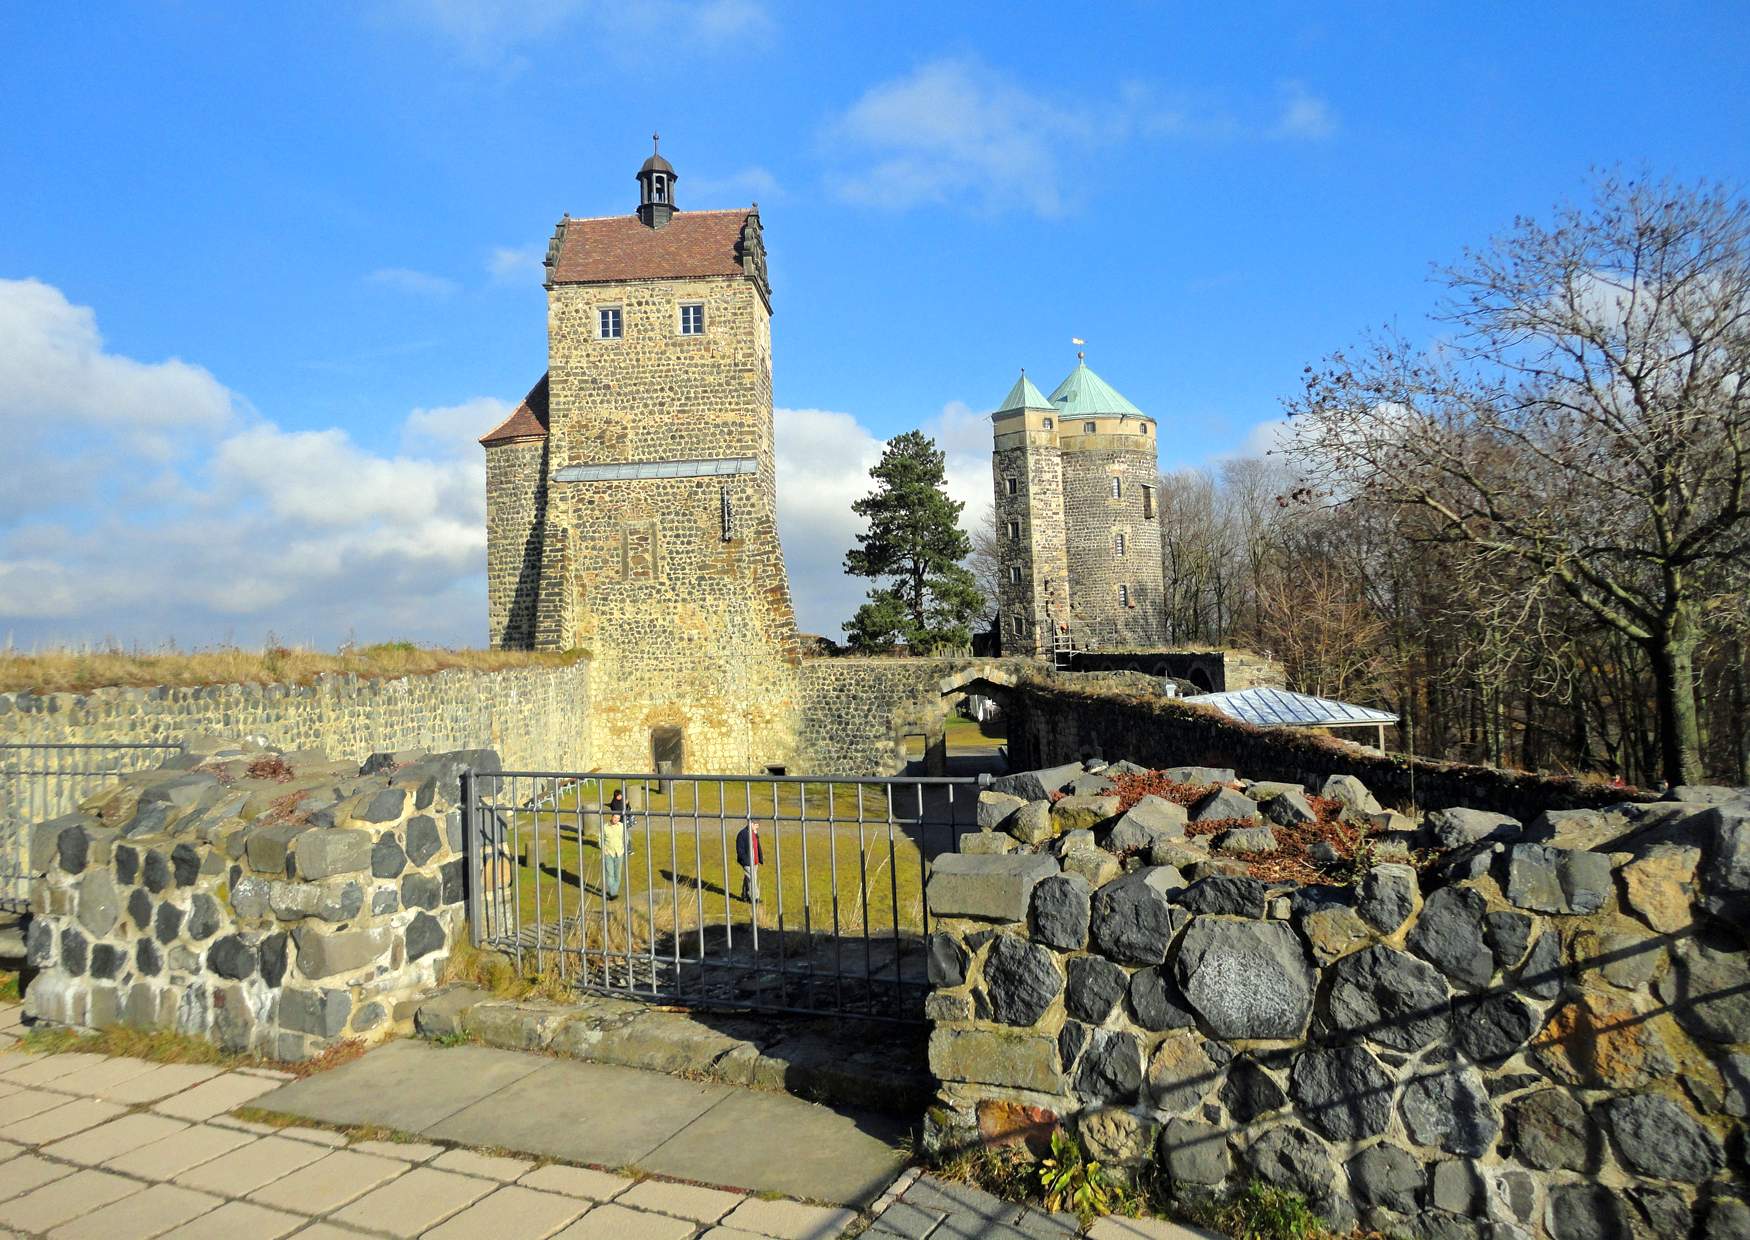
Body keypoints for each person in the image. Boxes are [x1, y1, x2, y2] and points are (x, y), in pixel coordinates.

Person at [600, 792, 627, 900]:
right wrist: (604, 850)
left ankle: (614, 890)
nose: (616, 820)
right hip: (608, 853)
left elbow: (626, 838)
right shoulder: (605, 827)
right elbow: (600, 839)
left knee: (618, 875)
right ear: (612, 817)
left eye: (618, 818)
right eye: (615, 818)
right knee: (610, 874)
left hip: (619, 853)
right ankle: (613, 893)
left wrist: (624, 849)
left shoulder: (622, 826)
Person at [734, 819, 762, 904]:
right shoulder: (742, 834)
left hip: (755, 862)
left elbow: (757, 847)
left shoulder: (754, 833)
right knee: (752, 879)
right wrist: (746, 861)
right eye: (756, 824)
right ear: (751, 824)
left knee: (748, 879)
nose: (758, 826)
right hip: (748, 862)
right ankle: (754, 898)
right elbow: (740, 850)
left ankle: (744, 895)